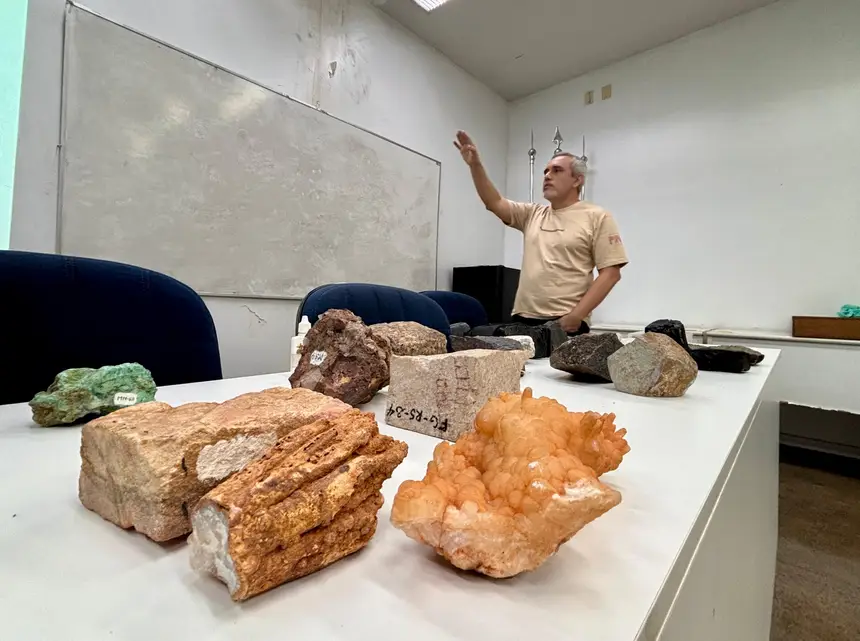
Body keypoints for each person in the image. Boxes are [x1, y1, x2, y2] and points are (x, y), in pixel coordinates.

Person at [454, 130, 628, 336]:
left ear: (577, 180)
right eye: (545, 171)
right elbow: (494, 202)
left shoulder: (597, 216)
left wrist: (576, 316)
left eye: (556, 170)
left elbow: (611, 273)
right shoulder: (532, 214)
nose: (547, 176)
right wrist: (475, 165)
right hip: (522, 319)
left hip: (566, 322)